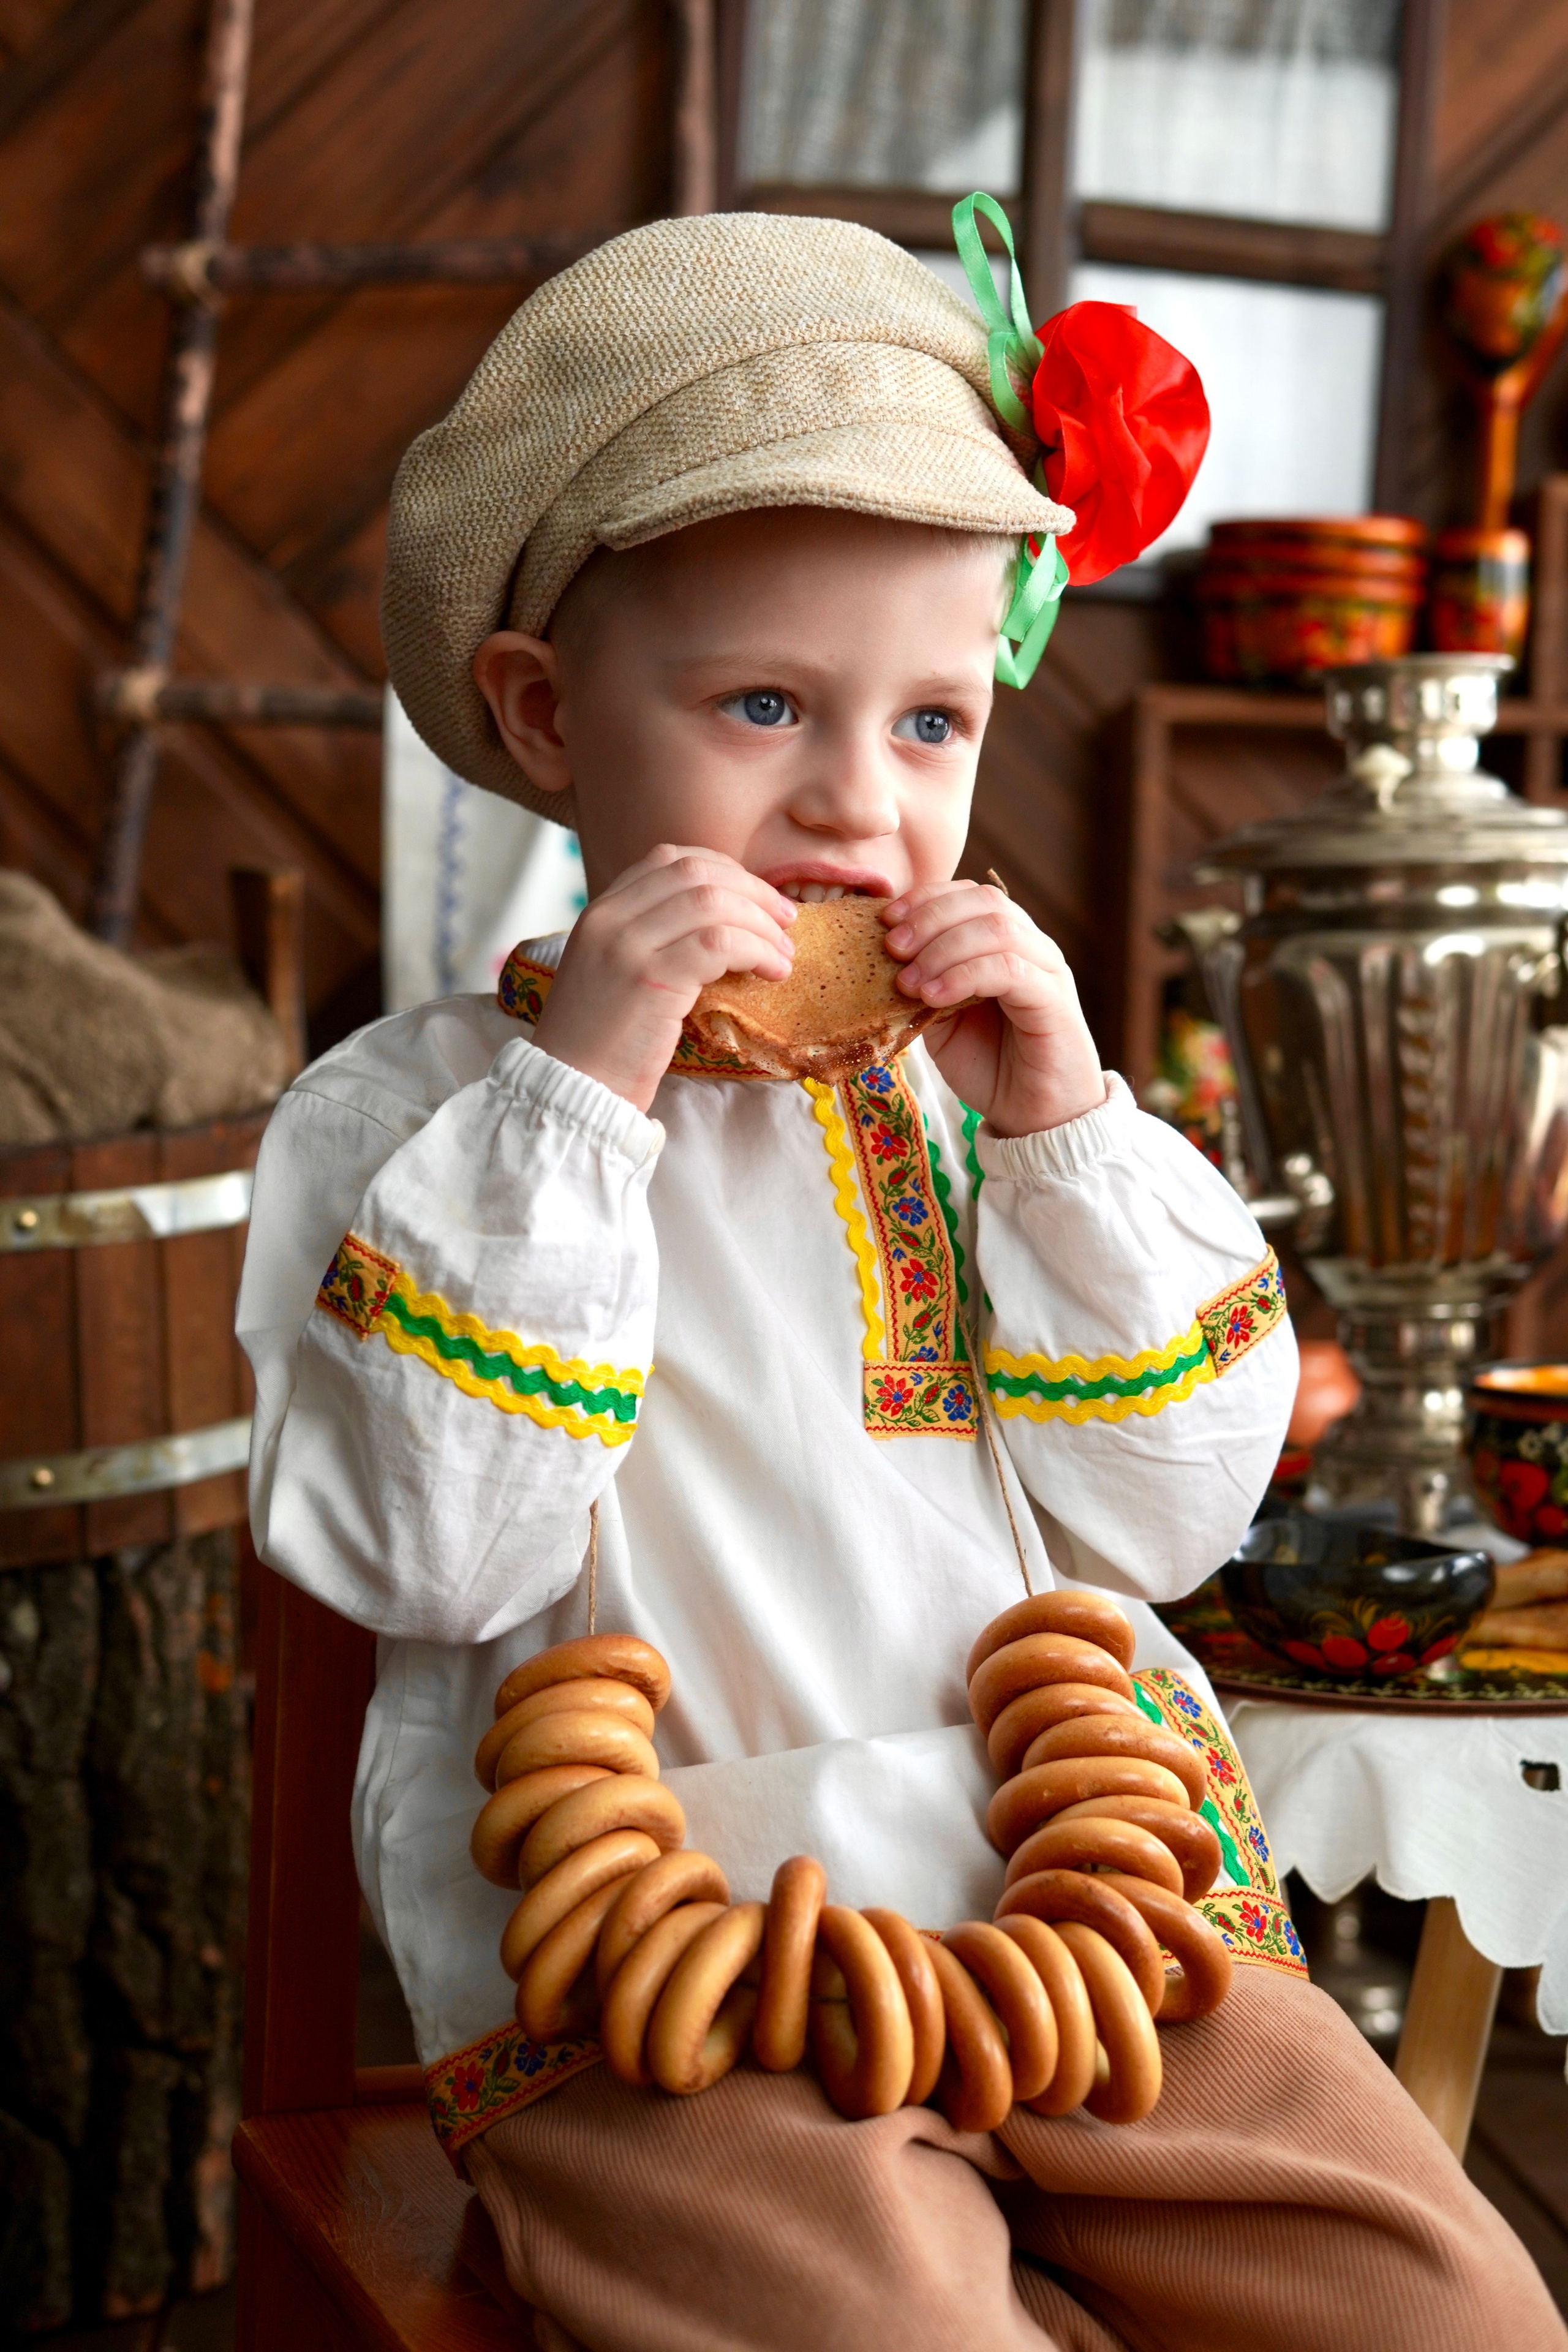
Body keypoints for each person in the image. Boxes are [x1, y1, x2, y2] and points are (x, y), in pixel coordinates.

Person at [238, 205, 1566, 2351]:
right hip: (664, 1970)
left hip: (1091, 1901)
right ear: (548, 714)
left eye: (935, 724)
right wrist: (585, 1090)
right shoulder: (407, 1125)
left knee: (1459, 2315)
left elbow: (1164, 1518)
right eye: (767, 705)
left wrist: (1062, 1133)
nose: (858, 807)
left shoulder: (987, 1113)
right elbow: (433, 1555)